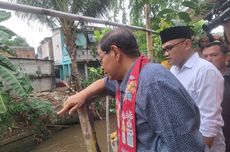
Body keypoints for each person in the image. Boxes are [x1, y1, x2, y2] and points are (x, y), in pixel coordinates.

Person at [58, 27, 204, 152]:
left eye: (101, 58)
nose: (101, 66)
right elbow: (104, 83)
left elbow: (185, 145)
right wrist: (82, 95)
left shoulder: (152, 82)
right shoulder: (126, 80)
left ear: (115, 52)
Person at [160, 26, 225, 152]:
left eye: (169, 48)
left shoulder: (205, 71)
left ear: (187, 44)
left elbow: (210, 121)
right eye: (164, 50)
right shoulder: (174, 70)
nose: (166, 54)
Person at [202, 41, 230, 152]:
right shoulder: (200, 80)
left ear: (226, 57)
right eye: (205, 56)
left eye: (214, 55)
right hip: (209, 140)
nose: (208, 59)